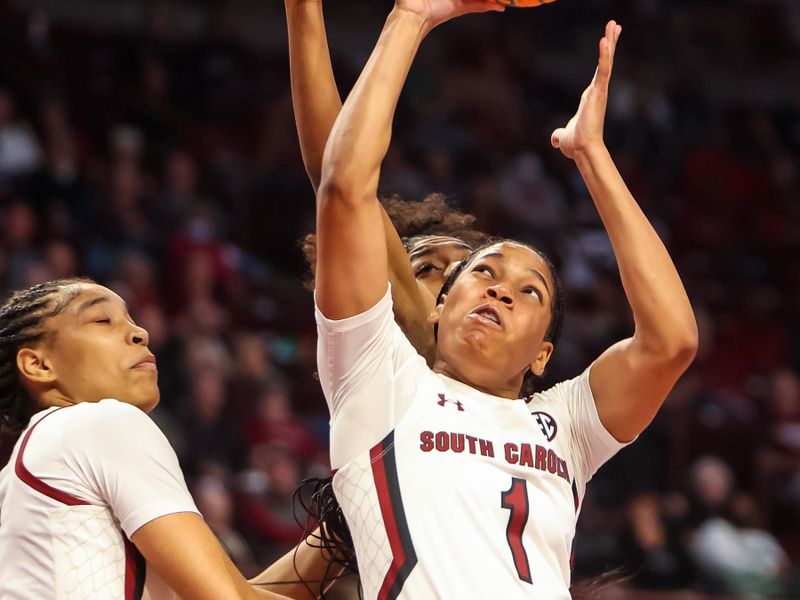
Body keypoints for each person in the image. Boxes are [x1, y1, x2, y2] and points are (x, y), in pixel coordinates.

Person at [313, 1, 697, 598]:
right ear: (439, 307)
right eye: (484, 272)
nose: (500, 290)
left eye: (529, 291)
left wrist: (592, 155)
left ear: (542, 355)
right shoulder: (379, 375)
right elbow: (343, 187)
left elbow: (671, 342)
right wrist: (410, 16)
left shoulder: (564, 425)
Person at [0, 278, 338, 599]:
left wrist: (337, 535)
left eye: (132, 319)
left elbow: (234, 592)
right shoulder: (100, 423)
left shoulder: (29, 469)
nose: (140, 333)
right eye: (102, 320)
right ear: (38, 364)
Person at [285, 0, 488, 365]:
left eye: (477, 268)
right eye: (426, 269)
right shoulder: (418, 347)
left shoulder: (553, 398)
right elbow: (339, 173)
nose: (456, 273)